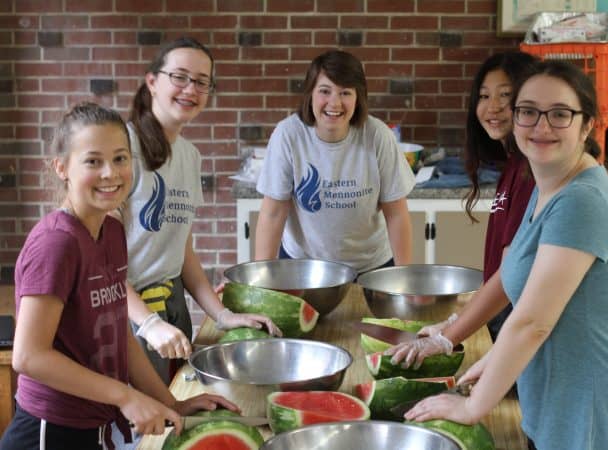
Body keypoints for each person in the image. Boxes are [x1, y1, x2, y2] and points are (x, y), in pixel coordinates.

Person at [386, 61, 608, 450]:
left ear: (587, 126)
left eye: (560, 114)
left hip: (595, 421)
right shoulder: (545, 182)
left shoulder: (582, 201)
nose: (541, 126)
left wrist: (471, 409)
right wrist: (458, 342)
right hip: (556, 407)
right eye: (528, 111)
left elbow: (532, 322)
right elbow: (513, 271)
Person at [0, 103, 237, 450]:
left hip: (96, 426)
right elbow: (28, 357)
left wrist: (170, 402)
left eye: (121, 159)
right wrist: (124, 396)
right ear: (62, 167)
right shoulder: (55, 244)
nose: (110, 173)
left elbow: (119, 334)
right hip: (49, 431)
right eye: (93, 161)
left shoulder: (111, 232)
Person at [121, 37, 280, 385]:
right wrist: (147, 324)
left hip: (171, 308)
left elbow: (183, 251)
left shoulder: (190, 156)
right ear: (152, 82)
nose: (190, 89)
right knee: (138, 431)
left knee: (172, 413)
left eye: (201, 81)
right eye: (179, 77)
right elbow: (99, 263)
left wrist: (221, 316)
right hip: (126, 313)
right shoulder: (123, 148)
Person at [254, 50, 415, 273]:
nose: (334, 102)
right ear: (310, 93)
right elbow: (272, 214)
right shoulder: (288, 135)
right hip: (304, 266)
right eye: (325, 91)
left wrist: (404, 277)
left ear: (358, 97)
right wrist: (261, 280)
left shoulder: (377, 135)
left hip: (371, 266)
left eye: (345, 93)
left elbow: (396, 214)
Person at [463, 52, 538, 343]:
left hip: (517, 323)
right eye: (483, 96)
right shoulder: (513, 164)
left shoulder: (529, 172)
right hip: (502, 316)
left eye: (505, 95)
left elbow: (510, 273)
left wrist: (450, 332)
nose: (492, 107)